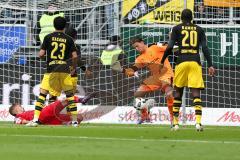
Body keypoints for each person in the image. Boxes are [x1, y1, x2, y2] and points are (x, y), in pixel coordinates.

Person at [160, 9, 216, 131]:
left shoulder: (176, 28)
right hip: (195, 61)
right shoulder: (199, 29)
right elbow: (205, 48)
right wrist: (210, 65)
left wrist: (162, 60)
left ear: (181, 17)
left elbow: (169, 47)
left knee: (178, 92)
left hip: (181, 61)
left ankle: (175, 124)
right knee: (196, 93)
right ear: (192, 17)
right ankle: (198, 123)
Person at [27, 16, 78, 127]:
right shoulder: (69, 39)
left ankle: (35, 120)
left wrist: (43, 57)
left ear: (54, 25)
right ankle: (74, 121)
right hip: (64, 70)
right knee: (70, 96)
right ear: (65, 26)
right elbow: (74, 56)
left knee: (43, 94)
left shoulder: (48, 37)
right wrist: (73, 67)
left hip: (51, 70)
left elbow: (41, 54)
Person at [124, 37, 174, 125]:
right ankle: (145, 117)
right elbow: (134, 68)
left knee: (169, 93)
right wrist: (129, 71)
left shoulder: (154, 47)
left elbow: (170, 47)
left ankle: (173, 119)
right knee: (137, 94)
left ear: (142, 42)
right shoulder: (140, 58)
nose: (136, 49)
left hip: (166, 74)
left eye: (137, 46)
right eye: (134, 48)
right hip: (155, 78)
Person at [9, 94, 94, 125]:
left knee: (79, 117)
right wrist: (32, 122)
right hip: (41, 116)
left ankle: (70, 124)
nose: (22, 107)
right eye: (19, 106)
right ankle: (81, 100)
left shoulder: (25, 113)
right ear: (16, 110)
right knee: (62, 102)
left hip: (46, 121)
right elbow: (19, 121)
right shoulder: (18, 116)